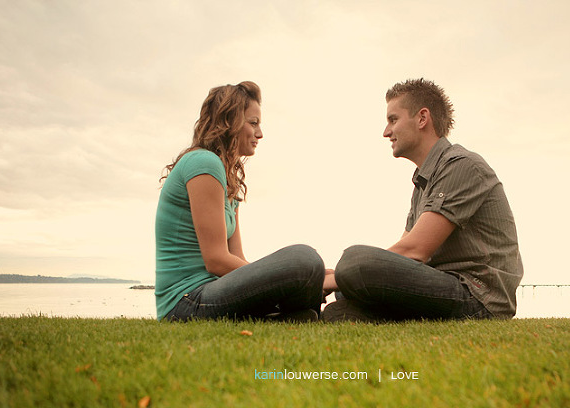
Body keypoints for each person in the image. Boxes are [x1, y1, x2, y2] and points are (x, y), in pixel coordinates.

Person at [322, 78, 523, 322]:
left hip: (477, 296)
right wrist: (345, 279)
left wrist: (339, 276)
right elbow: (401, 254)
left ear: (422, 118)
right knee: (342, 304)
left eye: (393, 120)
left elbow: (415, 250)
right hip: (443, 285)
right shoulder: (423, 182)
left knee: (355, 262)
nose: (386, 132)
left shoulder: (462, 165)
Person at [155, 81, 325, 322]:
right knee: (304, 259)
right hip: (186, 301)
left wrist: (281, 279)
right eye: (253, 123)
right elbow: (216, 260)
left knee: (309, 268)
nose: (260, 133)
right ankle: (294, 310)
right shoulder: (203, 163)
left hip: (213, 291)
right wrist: (285, 276)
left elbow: (236, 257)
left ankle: (296, 316)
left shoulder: (229, 180)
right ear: (229, 121)